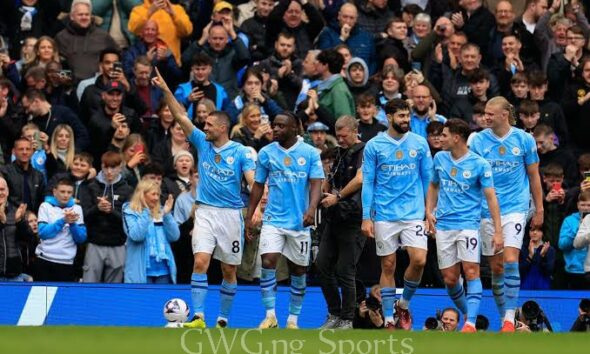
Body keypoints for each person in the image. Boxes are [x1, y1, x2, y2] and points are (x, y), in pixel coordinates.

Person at [152, 69, 256, 328]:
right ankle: (198, 316)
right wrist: (166, 89)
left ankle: (223, 318)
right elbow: (179, 115)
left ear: (222, 127)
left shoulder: (240, 151)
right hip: (205, 212)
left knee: (229, 270)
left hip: (232, 215)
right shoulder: (201, 142)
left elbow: (253, 180)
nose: (204, 127)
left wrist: (257, 207)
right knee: (200, 261)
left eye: (209, 124)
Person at [470, 96, 544, 332]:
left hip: (515, 207)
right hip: (486, 210)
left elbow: (533, 176)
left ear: (504, 114)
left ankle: (510, 319)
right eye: (484, 113)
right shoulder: (478, 140)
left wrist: (540, 208)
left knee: (511, 260)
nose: (486, 117)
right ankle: (505, 317)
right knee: (497, 268)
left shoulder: (524, 139)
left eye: (490, 113)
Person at [246, 112, 324, 329]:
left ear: (294, 129)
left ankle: (292, 319)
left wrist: (311, 209)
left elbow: (317, 183)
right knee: (268, 261)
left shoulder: (309, 153)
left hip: (300, 222)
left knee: (298, 271)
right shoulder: (266, 153)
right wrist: (250, 215)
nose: (275, 129)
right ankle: (270, 315)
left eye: (281, 126)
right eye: (274, 125)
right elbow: (258, 185)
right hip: (273, 219)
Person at [361, 98, 433, 330]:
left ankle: (403, 304)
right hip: (384, 213)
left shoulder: (420, 143)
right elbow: (368, 183)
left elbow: (427, 179)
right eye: (401, 116)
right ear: (389, 117)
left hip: (414, 213)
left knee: (419, 260)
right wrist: (366, 216)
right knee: (388, 266)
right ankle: (389, 319)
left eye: (407, 116)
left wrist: (429, 211)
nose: (406, 120)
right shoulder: (374, 145)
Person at [426, 118, 501, 332]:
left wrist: (497, 231)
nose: (440, 138)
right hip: (444, 226)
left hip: (468, 225)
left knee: (471, 271)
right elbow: (433, 186)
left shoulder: (479, 164)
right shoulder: (440, 158)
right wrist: (429, 212)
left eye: (444, 134)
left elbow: (491, 198)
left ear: (456, 137)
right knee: (450, 279)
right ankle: (470, 313)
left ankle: (469, 323)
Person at [317, 116, 365, 329]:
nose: (341, 140)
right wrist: (326, 185)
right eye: (338, 136)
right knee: (321, 265)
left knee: (345, 269)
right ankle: (334, 313)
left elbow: (360, 179)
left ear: (355, 131)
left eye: (344, 136)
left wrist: (337, 197)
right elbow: (330, 181)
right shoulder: (338, 153)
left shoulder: (364, 152)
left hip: (354, 218)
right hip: (334, 217)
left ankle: (347, 318)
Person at [81, 151, 133, 283]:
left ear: (120, 167)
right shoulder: (91, 187)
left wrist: (111, 211)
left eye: (113, 168)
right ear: (101, 167)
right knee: (89, 285)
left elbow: (129, 220)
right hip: (94, 243)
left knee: (113, 289)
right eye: (106, 167)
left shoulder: (127, 190)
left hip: (118, 244)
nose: (109, 172)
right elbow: (84, 216)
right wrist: (97, 208)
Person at [122, 179, 179, 283]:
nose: (156, 198)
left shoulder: (161, 211)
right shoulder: (129, 211)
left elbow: (174, 236)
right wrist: (145, 212)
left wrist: (167, 215)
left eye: (158, 194)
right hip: (140, 272)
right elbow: (136, 236)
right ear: (142, 195)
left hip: (164, 271)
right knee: (142, 299)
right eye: (153, 194)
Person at [35, 178, 87, 281]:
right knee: (42, 296)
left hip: (66, 262)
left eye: (69, 192)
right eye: (62, 191)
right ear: (54, 192)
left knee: (63, 297)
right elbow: (43, 233)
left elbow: (81, 238)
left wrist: (72, 224)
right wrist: (63, 221)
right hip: (44, 259)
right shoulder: (45, 206)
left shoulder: (77, 209)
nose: (66, 195)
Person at [181, 22, 250, 99]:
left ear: (227, 40)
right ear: (209, 39)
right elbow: (185, 59)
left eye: (221, 38)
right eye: (214, 38)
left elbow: (245, 57)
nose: (217, 42)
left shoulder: (233, 54)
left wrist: (232, 33)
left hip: (229, 99)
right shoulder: (202, 54)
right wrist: (201, 40)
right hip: (205, 101)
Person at [55, 0, 118, 81]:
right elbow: (57, 64)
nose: (84, 17)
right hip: (72, 86)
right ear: (72, 16)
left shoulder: (103, 36)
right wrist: (69, 83)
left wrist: (110, 78)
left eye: (87, 14)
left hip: (98, 86)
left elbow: (118, 56)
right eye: (80, 14)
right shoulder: (61, 37)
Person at [20, 89, 89, 152]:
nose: (26, 111)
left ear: (36, 101)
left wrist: (72, 153)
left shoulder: (63, 112)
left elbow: (82, 135)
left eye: (27, 107)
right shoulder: (33, 122)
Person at [317, 2, 377, 74]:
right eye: (345, 17)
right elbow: (324, 60)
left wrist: (366, 76)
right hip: (337, 78)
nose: (348, 21)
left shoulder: (366, 36)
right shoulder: (327, 33)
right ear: (339, 16)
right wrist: (341, 39)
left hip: (361, 80)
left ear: (356, 19)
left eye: (351, 18)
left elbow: (374, 61)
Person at [128, 0, 193, 66]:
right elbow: (134, 29)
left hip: (172, 66)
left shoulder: (177, 9)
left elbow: (187, 31)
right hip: (146, 68)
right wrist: (149, 12)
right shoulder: (138, 10)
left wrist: (173, 14)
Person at [174, 53, 229, 120]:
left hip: (213, 129)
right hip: (189, 129)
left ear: (210, 69)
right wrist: (187, 100)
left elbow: (225, 115)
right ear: (192, 69)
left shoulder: (220, 91)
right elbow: (174, 109)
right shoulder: (182, 89)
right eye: (197, 69)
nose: (200, 72)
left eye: (203, 69)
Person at [0, 138, 46, 212]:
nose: (25, 152)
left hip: (34, 218)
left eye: (28, 149)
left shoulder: (38, 175)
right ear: (14, 152)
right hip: (11, 217)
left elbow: (42, 200)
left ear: (32, 152)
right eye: (21, 149)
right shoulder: (5, 172)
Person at [0, 177, 30, 281]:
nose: (0, 193)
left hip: (14, 275)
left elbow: (29, 240)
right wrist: (1, 223)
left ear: (7, 191)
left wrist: (20, 222)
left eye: (2, 189)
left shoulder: (16, 211)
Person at [559, 190, 590, 289]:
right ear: (577, 205)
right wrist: (577, 229)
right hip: (574, 270)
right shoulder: (569, 221)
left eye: (589, 205)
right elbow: (562, 245)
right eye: (583, 205)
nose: (585, 208)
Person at [315, 49, 355, 121]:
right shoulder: (325, 87)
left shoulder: (338, 90)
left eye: (319, 62)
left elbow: (344, 122)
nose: (316, 64)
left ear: (325, 66)